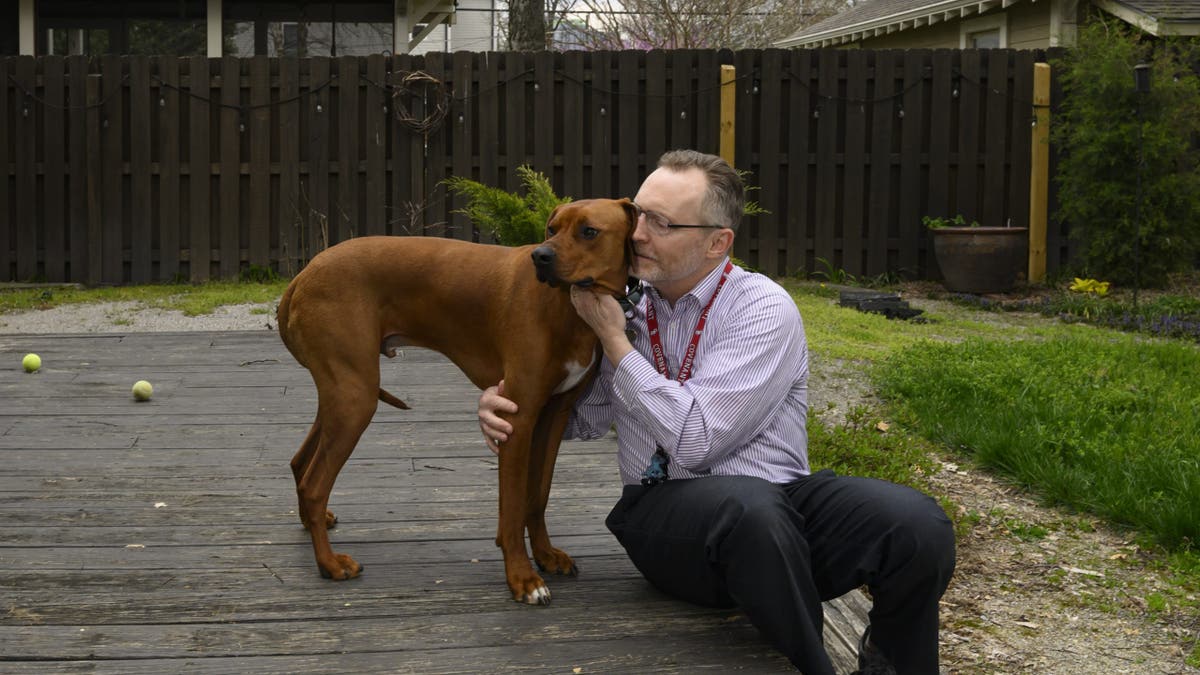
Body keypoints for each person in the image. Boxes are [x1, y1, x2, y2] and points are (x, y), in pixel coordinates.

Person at [478, 149, 955, 674]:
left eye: (660, 222)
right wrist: (507, 407)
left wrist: (616, 344)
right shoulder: (620, 303)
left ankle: (892, 662)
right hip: (664, 519)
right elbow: (586, 419)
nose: (636, 233)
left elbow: (698, 440)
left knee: (917, 524)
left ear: (717, 242)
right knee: (749, 510)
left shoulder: (761, 307)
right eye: (639, 214)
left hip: (780, 504)